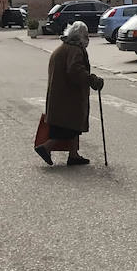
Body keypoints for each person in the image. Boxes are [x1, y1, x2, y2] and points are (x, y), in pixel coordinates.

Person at [35, 21, 104, 166]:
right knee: (67, 128)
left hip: (62, 95)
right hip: (68, 97)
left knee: (73, 127)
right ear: (79, 37)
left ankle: (74, 155)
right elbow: (75, 71)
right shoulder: (75, 50)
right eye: (86, 36)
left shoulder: (64, 47)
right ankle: (46, 148)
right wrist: (92, 80)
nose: (88, 39)